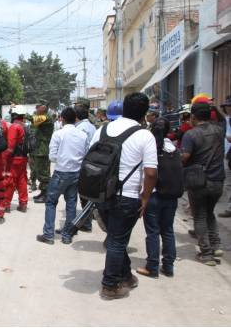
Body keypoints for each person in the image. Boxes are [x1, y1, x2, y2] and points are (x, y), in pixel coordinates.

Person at [89, 92, 158, 300]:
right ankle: (110, 285)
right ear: (145, 113)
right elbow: (151, 172)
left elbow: (90, 158)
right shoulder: (145, 135)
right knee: (118, 241)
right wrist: (145, 198)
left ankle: (126, 275)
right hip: (127, 197)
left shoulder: (102, 129)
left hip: (102, 194)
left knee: (116, 237)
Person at [182, 102, 226, 265]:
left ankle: (206, 253)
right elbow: (224, 120)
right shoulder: (219, 130)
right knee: (210, 213)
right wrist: (215, 108)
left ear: (193, 117)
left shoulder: (191, 134)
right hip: (218, 181)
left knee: (199, 216)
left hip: (199, 182)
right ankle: (216, 245)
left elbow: (185, 156)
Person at [36, 107, 88, 245]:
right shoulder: (83, 135)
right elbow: (86, 154)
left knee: (51, 202)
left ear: (62, 119)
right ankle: (67, 235)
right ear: (75, 118)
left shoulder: (58, 134)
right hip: (76, 173)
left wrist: (63, 159)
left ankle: (48, 235)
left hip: (61, 172)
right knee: (71, 204)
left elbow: (52, 157)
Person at [136, 117, 179, 278]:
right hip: (171, 196)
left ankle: (152, 267)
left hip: (153, 196)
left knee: (152, 232)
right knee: (168, 230)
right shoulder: (174, 149)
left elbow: (148, 174)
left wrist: (143, 196)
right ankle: (168, 266)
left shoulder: (151, 148)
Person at [75, 103, 97, 232]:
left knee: (83, 194)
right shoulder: (91, 126)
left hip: (84, 163)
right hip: (92, 161)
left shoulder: (80, 128)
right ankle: (90, 216)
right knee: (88, 193)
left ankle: (86, 223)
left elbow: (79, 148)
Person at [4, 105, 29, 212]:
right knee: (22, 180)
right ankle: (23, 204)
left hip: (14, 159)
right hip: (23, 158)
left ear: (14, 115)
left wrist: (4, 158)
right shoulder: (26, 126)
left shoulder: (14, 127)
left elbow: (10, 147)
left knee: (10, 181)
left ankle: (5, 205)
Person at [31, 102, 54, 204]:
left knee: (44, 174)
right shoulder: (42, 118)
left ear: (43, 108)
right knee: (40, 173)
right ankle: (43, 192)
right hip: (39, 149)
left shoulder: (46, 118)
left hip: (43, 150)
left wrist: (22, 114)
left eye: (38, 107)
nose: (36, 108)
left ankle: (46, 195)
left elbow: (33, 119)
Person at [219, 97, 231, 218]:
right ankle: (229, 207)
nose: (228, 108)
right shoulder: (226, 120)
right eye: (227, 106)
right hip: (227, 155)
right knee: (228, 184)